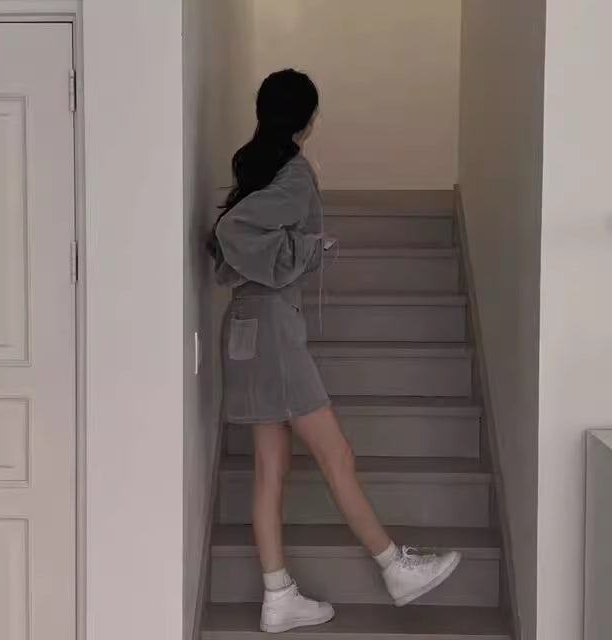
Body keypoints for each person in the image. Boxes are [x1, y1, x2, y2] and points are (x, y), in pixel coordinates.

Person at [208, 69, 461, 634]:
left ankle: (278, 595)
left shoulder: (255, 167)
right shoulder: (294, 173)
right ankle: (395, 567)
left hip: (247, 328)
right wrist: (309, 248)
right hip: (272, 330)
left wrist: (293, 249)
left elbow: (234, 238)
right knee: (335, 454)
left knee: (271, 468)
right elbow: (233, 231)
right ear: (307, 119)